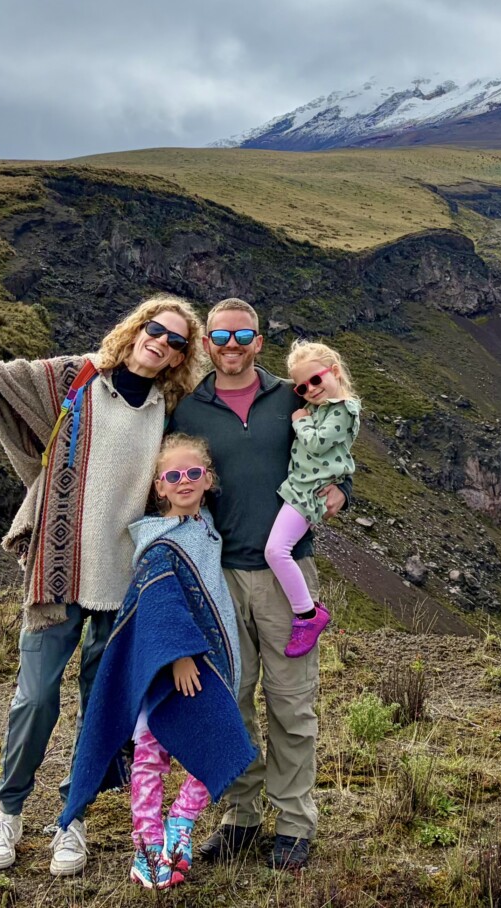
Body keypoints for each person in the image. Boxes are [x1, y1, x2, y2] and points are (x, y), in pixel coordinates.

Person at [0, 280, 205, 877]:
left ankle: (72, 820)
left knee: (101, 707)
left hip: (125, 582)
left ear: (183, 358)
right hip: (59, 574)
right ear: (134, 330)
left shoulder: (170, 411)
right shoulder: (73, 381)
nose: (161, 343)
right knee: (34, 699)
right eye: (154, 330)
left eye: (176, 341)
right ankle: (7, 812)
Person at [165, 298, 347, 873]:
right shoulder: (190, 409)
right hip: (218, 577)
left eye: (243, 334)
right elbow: (170, 479)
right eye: (220, 336)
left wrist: (346, 487)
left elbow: (333, 445)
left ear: (259, 341)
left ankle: (294, 823)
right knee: (232, 701)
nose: (232, 344)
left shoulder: (289, 396)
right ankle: (240, 817)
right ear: (207, 345)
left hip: (286, 573)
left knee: (291, 705)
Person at [59, 433, 255, 891]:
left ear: (208, 480)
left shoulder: (208, 527)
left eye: (193, 473)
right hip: (165, 669)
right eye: (173, 476)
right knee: (150, 755)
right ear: (159, 487)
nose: (183, 481)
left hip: (211, 666)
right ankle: (146, 847)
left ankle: (181, 822)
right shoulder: (157, 542)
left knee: (224, 742)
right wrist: (180, 656)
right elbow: (161, 605)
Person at [266, 340, 362, 657]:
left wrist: (300, 420)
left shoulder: (343, 411)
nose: (310, 389)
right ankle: (307, 612)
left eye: (316, 380)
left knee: (276, 551)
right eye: (302, 387)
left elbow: (318, 444)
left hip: (309, 493)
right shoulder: (324, 408)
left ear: (334, 372)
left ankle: (308, 614)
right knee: (278, 549)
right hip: (302, 487)